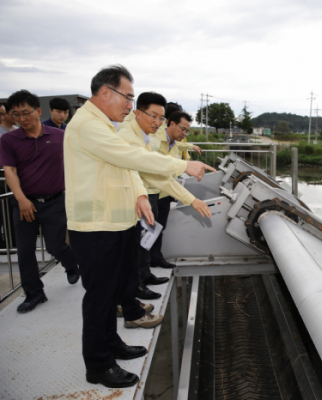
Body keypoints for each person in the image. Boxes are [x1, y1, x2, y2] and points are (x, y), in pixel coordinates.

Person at [64, 65, 211, 389]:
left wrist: (141, 195)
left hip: (114, 221)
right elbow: (133, 158)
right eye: (128, 97)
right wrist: (183, 165)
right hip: (95, 226)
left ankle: (112, 344)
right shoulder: (89, 126)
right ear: (106, 93)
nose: (130, 105)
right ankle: (99, 365)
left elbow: (127, 165)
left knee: (112, 289)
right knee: (100, 297)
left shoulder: (105, 125)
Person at [117, 93, 212, 305]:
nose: (157, 123)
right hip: (138, 195)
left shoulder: (143, 135)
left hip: (153, 190)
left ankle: (144, 275)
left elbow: (157, 173)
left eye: (160, 118)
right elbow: (153, 167)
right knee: (138, 240)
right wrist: (185, 169)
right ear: (137, 112)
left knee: (148, 233)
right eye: (155, 117)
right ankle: (136, 285)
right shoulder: (134, 137)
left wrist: (191, 199)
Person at [0, 90, 79, 313]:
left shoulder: (60, 136)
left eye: (26, 113)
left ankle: (71, 263)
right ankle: (34, 293)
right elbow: (10, 170)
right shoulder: (9, 140)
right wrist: (21, 199)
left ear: (38, 111)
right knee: (25, 251)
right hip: (24, 203)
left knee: (55, 246)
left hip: (55, 202)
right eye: (16, 115)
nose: (21, 119)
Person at [150, 105, 202, 269]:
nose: (184, 134)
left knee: (159, 228)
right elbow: (154, 166)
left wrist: (190, 146)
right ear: (171, 123)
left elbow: (180, 146)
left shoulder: (174, 143)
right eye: (183, 129)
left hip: (165, 192)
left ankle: (156, 258)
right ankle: (142, 271)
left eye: (187, 131)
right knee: (147, 230)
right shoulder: (154, 139)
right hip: (150, 192)